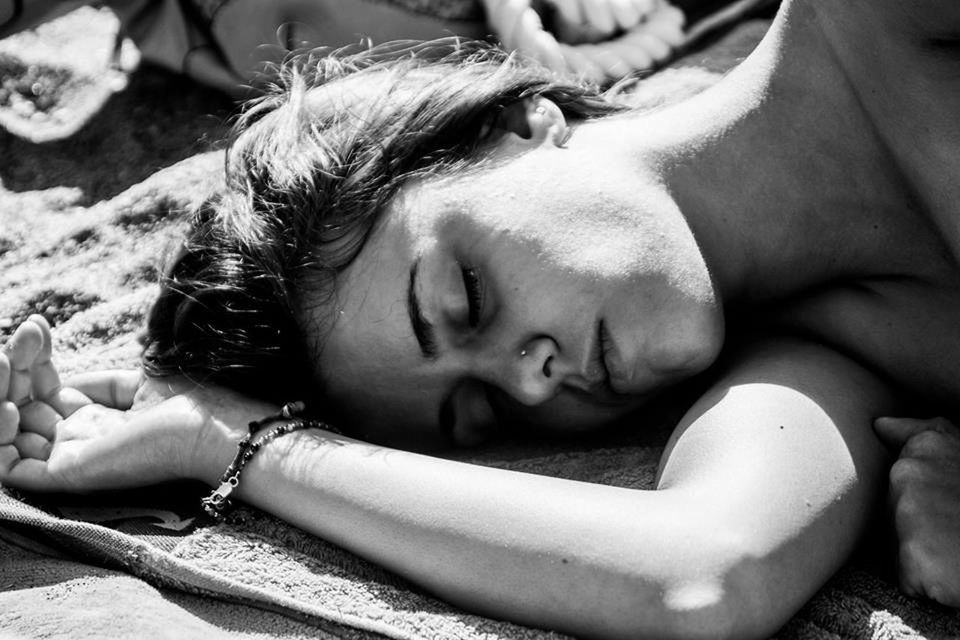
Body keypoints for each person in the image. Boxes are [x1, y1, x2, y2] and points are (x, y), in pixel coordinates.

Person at [1, 0, 959, 638]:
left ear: (517, 121)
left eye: (463, 298)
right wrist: (234, 441)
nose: (532, 377)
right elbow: (703, 573)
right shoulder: (824, 362)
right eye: (482, 416)